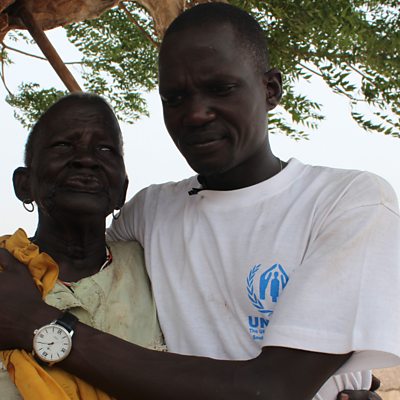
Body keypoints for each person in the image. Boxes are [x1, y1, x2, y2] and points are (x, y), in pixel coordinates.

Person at [0, 3, 398, 400]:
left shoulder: (348, 202)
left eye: (220, 89)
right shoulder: (150, 213)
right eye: (175, 98)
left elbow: (274, 389)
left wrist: (41, 326)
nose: (195, 114)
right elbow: (82, 264)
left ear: (271, 90)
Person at [0, 93, 164, 399]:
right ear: (24, 185)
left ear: (122, 191)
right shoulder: (5, 270)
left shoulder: (157, 269)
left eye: (105, 149)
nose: (86, 159)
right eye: (63, 145)